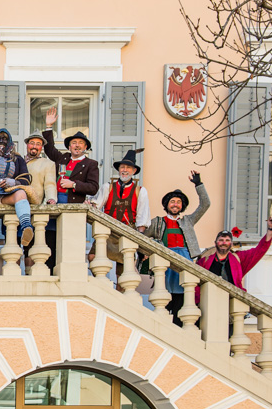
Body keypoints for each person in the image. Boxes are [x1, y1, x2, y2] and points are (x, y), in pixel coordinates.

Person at [144, 171, 210, 326]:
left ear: (182, 206)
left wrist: (198, 184)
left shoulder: (189, 220)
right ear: (167, 204)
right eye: (172, 201)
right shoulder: (157, 222)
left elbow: (205, 204)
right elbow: (142, 239)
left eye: (178, 202)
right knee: (165, 301)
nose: (175, 204)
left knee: (183, 299)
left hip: (184, 262)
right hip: (165, 265)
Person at [42, 107, 100, 271]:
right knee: (50, 239)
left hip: (72, 203)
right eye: (74, 143)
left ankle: (68, 273)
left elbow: (93, 187)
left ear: (85, 147)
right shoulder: (63, 157)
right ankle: (50, 271)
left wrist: (73, 184)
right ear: (69, 146)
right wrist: (48, 127)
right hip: (54, 202)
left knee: (69, 241)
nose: (77, 145)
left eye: (80, 143)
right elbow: (49, 149)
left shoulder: (91, 164)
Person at [87, 150, 150, 283]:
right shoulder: (108, 187)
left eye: (128, 168)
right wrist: (89, 204)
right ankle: (103, 285)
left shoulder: (140, 191)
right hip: (108, 232)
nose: (125, 170)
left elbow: (142, 218)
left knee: (123, 271)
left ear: (134, 171)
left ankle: (119, 293)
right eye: (122, 167)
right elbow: (96, 206)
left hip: (127, 233)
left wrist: (140, 243)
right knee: (92, 256)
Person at [197, 217, 272, 293]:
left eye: (227, 240)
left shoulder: (239, 258)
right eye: (221, 240)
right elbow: (196, 284)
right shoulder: (204, 261)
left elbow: (260, 250)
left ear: (231, 244)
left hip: (232, 303)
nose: (224, 243)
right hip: (210, 301)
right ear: (215, 243)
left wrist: (271, 229)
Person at [22, 132, 57, 267]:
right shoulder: (17, 161)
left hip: (35, 210)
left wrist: (51, 199)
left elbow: (50, 184)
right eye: (32, 143)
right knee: (20, 248)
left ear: (41, 147)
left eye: (38, 144)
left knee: (33, 248)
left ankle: (32, 277)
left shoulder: (48, 164)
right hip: (17, 209)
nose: (34, 146)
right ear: (27, 145)